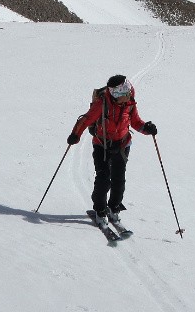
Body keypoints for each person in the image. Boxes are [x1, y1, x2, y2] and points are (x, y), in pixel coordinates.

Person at [67, 74, 157, 230]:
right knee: (103, 179)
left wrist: (146, 129)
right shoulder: (102, 103)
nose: (129, 94)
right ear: (117, 94)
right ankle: (100, 210)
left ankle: (114, 207)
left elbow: (135, 121)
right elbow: (86, 119)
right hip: (102, 145)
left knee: (119, 180)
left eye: (128, 90)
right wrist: (75, 135)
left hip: (122, 145)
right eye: (125, 93)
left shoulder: (129, 103)